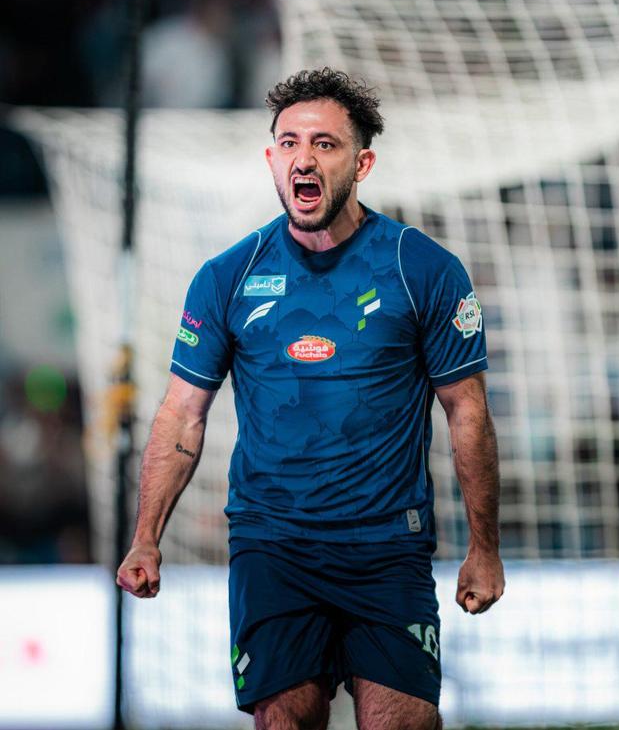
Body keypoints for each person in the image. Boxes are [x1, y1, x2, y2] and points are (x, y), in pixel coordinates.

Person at [117, 67, 505, 730]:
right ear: (272, 159)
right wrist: (145, 537)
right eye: (290, 142)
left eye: (325, 143)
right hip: (273, 547)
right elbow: (182, 413)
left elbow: (467, 412)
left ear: (363, 163)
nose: (304, 157)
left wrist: (485, 546)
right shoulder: (227, 276)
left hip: (388, 547)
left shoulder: (423, 269)